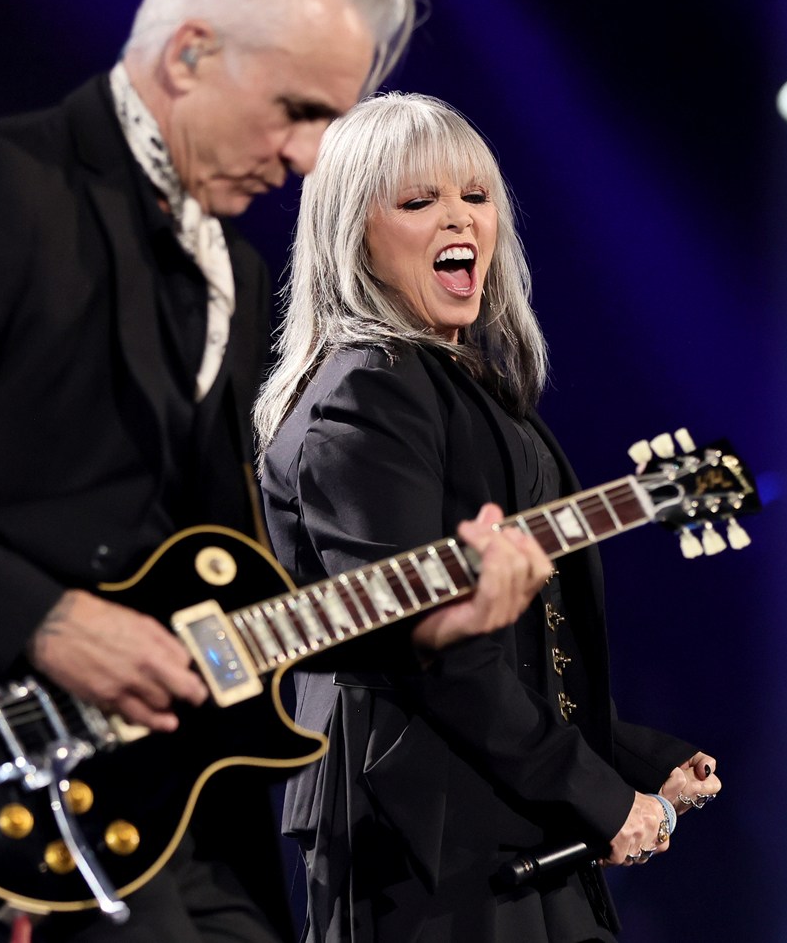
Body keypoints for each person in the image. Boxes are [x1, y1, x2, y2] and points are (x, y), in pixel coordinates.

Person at [0, 0, 545, 943]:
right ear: (188, 54)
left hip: (169, 792)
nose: (311, 157)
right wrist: (48, 620)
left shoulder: (236, 269)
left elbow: (224, 572)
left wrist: (421, 630)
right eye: (296, 110)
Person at [255, 93, 725, 942]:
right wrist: (597, 794)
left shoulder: (468, 387)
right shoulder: (369, 389)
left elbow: (518, 652)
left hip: (503, 812)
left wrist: (633, 756)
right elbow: (431, 649)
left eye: (475, 195)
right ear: (352, 234)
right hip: (426, 836)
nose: (458, 218)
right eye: (418, 200)